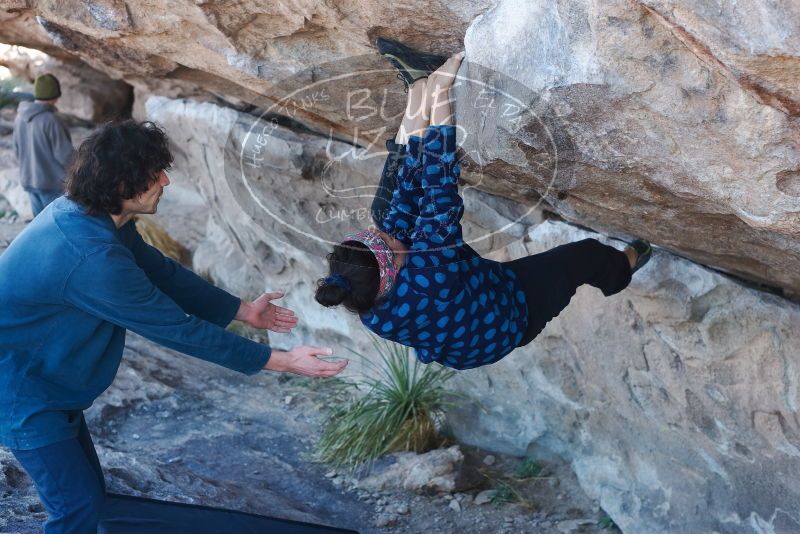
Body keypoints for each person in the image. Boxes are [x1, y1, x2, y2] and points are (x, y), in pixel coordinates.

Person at [0, 120, 348, 533]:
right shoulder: (91, 256)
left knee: (88, 503)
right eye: (154, 174)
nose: (165, 180)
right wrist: (281, 360)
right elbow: (176, 329)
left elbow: (163, 273)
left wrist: (243, 311)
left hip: (44, 384)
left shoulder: (89, 217)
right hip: (22, 394)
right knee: (76, 509)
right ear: (121, 184)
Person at [315, 40, 652, 371]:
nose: (380, 233)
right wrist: (444, 92)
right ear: (395, 267)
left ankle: (419, 88)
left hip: (467, 298)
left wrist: (427, 102)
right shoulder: (432, 272)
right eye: (383, 242)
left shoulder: (367, 298)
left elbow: (405, 197)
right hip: (507, 320)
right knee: (585, 255)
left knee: (387, 211)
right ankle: (622, 269)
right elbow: (439, 182)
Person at [12, 73, 74, 216]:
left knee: (40, 226)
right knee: (57, 226)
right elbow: (65, 156)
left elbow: (16, 151)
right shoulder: (51, 120)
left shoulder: (20, 117)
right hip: (52, 185)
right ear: (55, 96)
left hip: (29, 182)